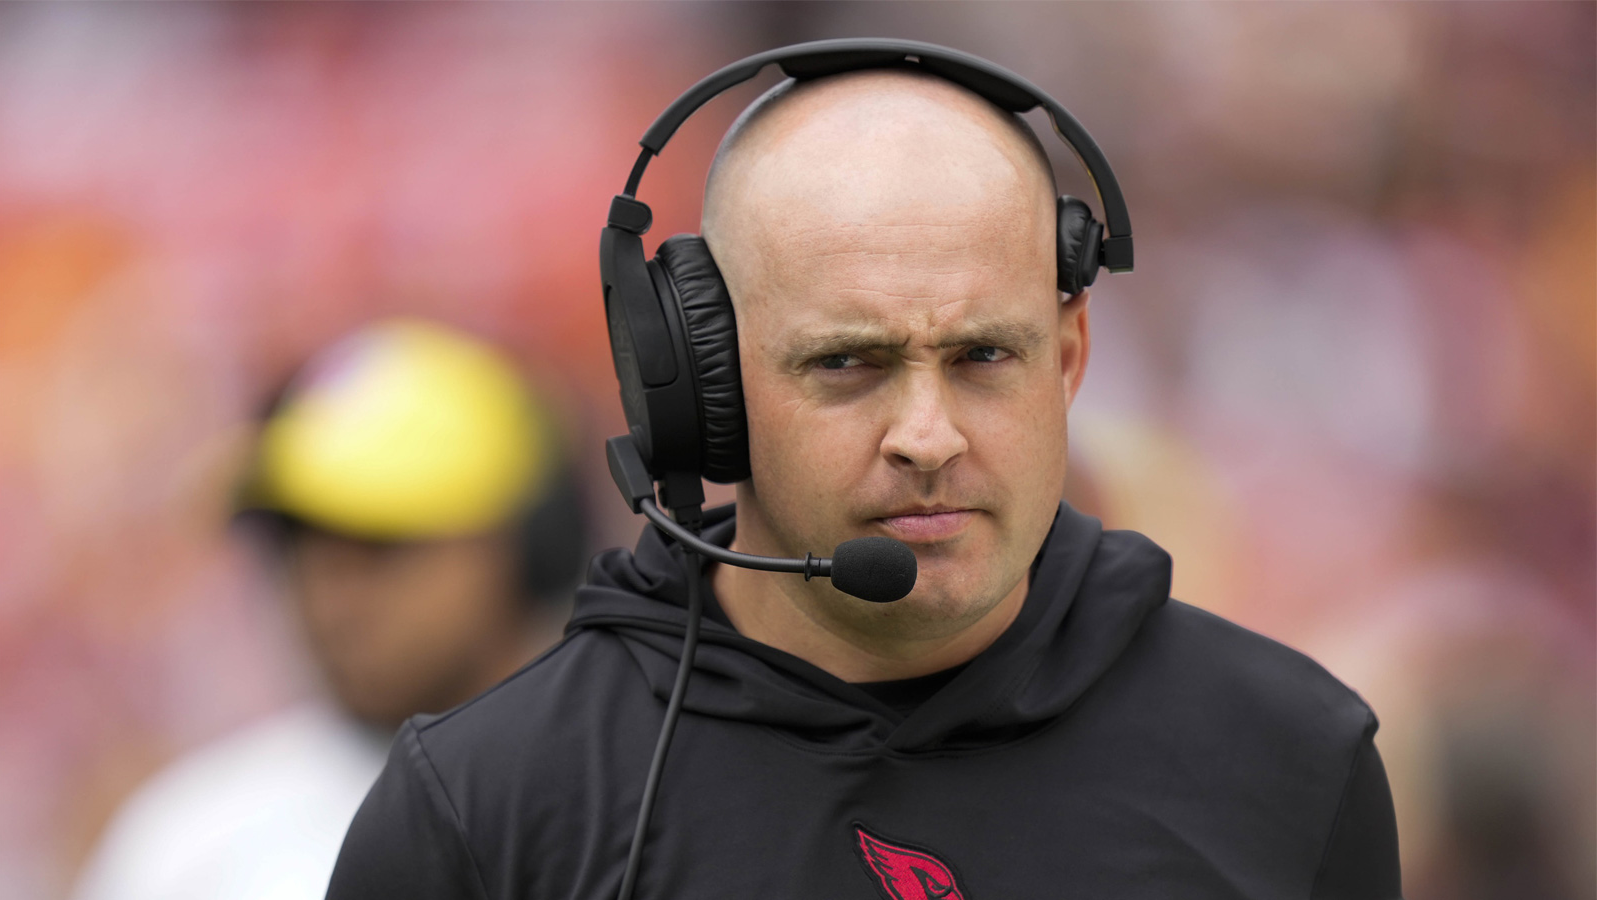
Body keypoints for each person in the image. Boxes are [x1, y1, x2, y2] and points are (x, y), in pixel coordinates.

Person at [328, 46, 1401, 900]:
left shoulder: (1292, 758)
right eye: (848, 363)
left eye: (984, 356)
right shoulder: (484, 810)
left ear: (1069, 357)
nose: (925, 436)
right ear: (704, 385)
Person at [72, 319, 588, 900]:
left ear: (528, 547)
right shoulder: (186, 845)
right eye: (296, 543)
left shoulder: (636, 802)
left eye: (381, 541)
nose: (329, 598)